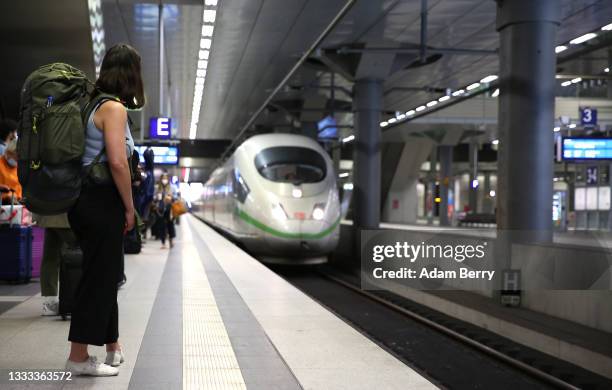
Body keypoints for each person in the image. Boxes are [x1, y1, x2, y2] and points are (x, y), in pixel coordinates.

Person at [65, 43, 144, 376]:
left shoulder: (90, 103)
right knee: (98, 278)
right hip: (101, 201)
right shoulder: (113, 109)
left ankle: (112, 346)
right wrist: (129, 208)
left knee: (106, 273)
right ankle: (78, 357)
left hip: (83, 200)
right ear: (131, 73)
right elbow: (117, 162)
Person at [35, 213, 75, 316]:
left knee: (50, 256)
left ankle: (49, 302)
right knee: (79, 249)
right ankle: (74, 299)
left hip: (47, 212)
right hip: (64, 213)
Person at [0, 135, 22, 202]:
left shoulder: (20, 168)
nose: (18, 160)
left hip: (16, 204)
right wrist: (7, 196)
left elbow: (19, 190)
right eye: (17, 156)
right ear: (8, 153)